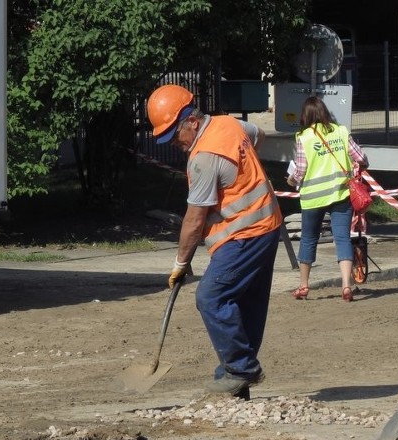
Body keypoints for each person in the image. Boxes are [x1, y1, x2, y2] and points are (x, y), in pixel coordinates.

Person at [146, 84, 282, 397]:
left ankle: (241, 368)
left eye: (174, 135)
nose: (174, 145)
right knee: (247, 304)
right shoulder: (229, 124)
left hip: (244, 233)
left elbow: (194, 220)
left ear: (191, 122)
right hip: (268, 225)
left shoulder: (204, 158)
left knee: (211, 297)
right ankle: (235, 384)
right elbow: (257, 137)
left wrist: (181, 263)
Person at [286, 96, 369, 302]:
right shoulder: (340, 131)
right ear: (324, 112)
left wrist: (290, 179)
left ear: (305, 116)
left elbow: (301, 171)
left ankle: (304, 286)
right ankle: (347, 286)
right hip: (341, 194)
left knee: (308, 239)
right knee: (342, 238)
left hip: (313, 198)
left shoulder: (303, 137)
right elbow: (361, 158)